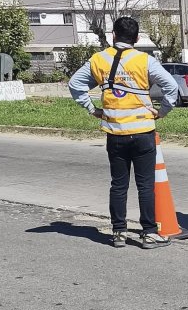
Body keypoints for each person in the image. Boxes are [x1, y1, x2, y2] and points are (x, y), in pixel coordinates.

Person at [68, 16, 179, 249]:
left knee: (118, 185)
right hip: (142, 132)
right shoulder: (144, 60)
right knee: (145, 185)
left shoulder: (98, 60)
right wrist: (164, 111)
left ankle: (118, 232)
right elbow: (171, 86)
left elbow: (75, 84)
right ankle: (149, 233)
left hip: (115, 133)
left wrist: (92, 109)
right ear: (137, 38)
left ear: (113, 36)